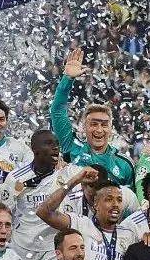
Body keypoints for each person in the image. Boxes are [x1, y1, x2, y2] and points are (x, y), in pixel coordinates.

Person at [0, 129, 86, 260]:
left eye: (57, 144)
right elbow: (5, 212)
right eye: (49, 143)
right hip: (22, 247)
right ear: (34, 149)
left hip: (53, 249)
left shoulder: (68, 173)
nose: (55, 147)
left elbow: (91, 176)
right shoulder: (17, 177)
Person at [51, 48, 135, 186]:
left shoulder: (124, 165)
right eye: (94, 124)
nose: (99, 130)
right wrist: (67, 79)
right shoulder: (72, 148)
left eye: (104, 125)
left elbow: (130, 199)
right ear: (84, 127)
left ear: (111, 128)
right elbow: (57, 110)